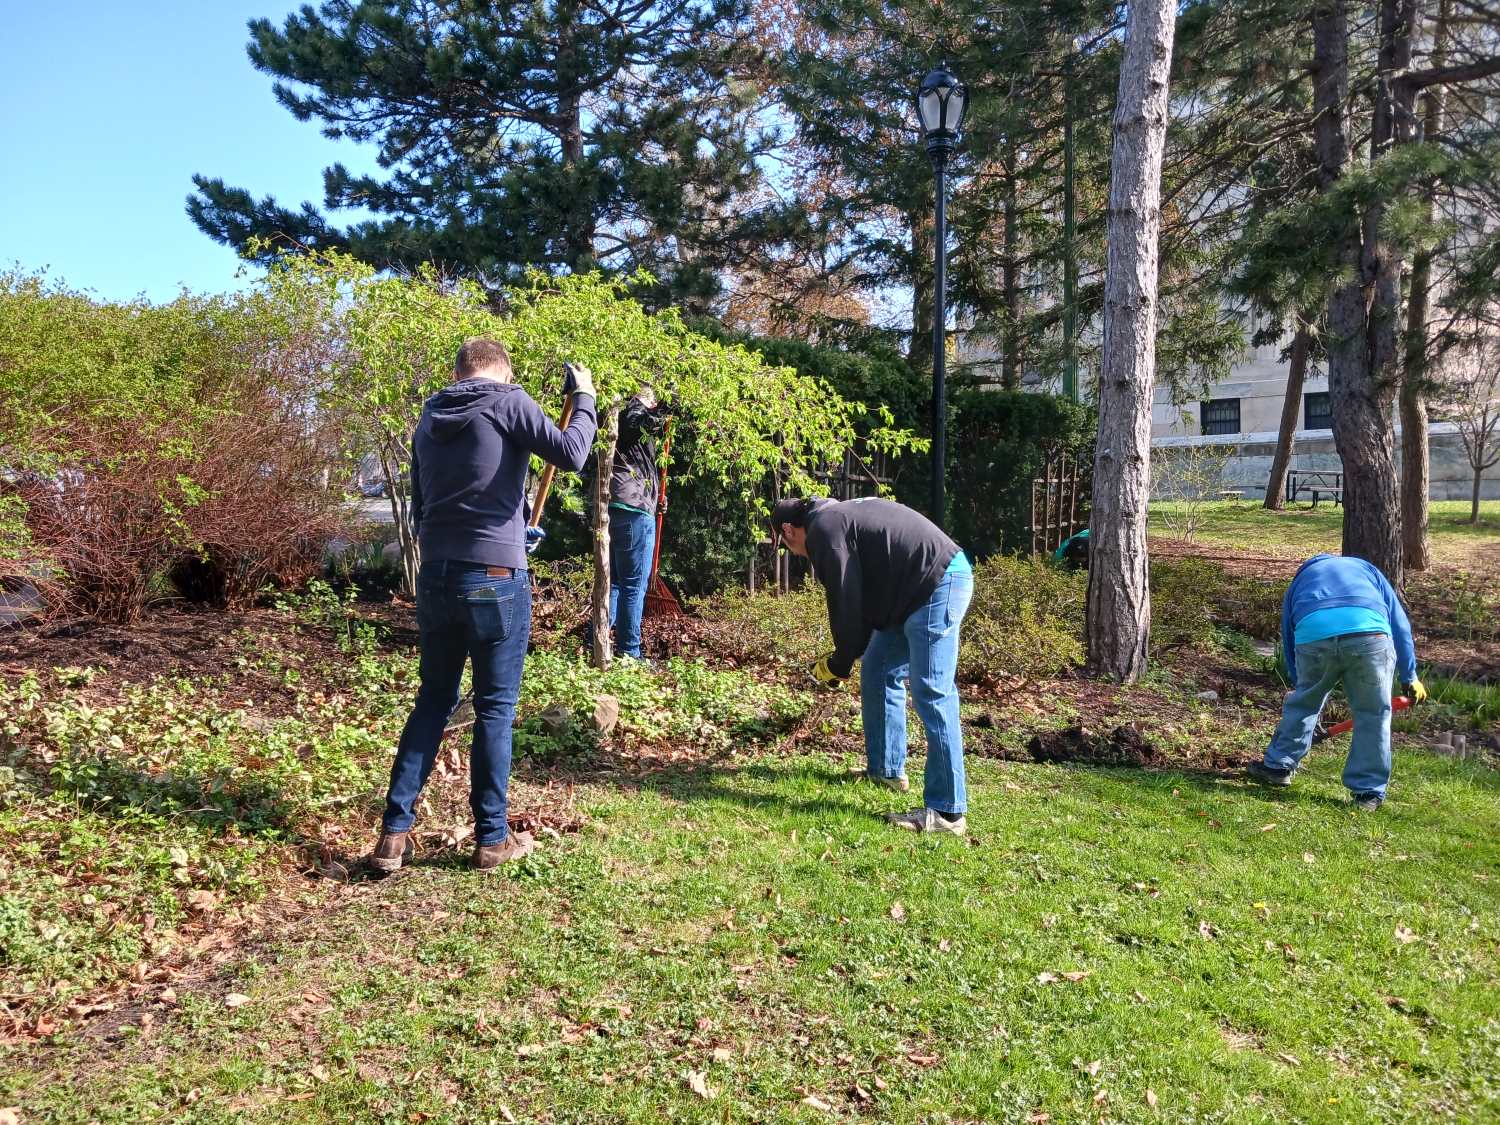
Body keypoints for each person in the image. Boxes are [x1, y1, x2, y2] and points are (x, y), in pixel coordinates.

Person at [369, 339, 597, 872]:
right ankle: (492, 838)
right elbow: (572, 452)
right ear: (502, 371)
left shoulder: (428, 420)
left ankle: (393, 835)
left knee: (433, 701)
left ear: (458, 372)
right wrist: (583, 398)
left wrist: (517, 524)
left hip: (438, 577)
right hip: (495, 578)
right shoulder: (508, 401)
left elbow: (428, 507)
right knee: (495, 708)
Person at [770, 496, 974, 834]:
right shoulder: (835, 516)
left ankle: (948, 813)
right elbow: (861, 601)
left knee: (932, 694)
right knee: (879, 668)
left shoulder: (825, 526)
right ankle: (887, 771)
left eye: (786, 543)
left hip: (936, 584)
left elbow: (845, 600)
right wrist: (846, 656)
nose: (793, 552)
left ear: (788, 530)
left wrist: (840, 661)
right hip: (912, 594)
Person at [1246, 553, 1426, 811]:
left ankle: (1278, 766)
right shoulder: (1368, 570)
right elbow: (1399, 624)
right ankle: (1368, 793)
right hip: (1370, 637)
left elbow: (1288, 632)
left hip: (1314, 634)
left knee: (1304, 705)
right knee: (1373, 713)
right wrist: (1410, 676)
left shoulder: (1301, 579)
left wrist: (1301, 684)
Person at [607, 388, 670, 660]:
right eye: (651, 398)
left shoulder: (617, 417)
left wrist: (657, 499)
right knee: (633, 584)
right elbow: (639, 422)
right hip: (633, 508)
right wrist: (663, 408)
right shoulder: (630, 413)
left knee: (618, 582)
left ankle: (596, 639)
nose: (654, 403)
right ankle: (629, 653)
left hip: (621, 505)